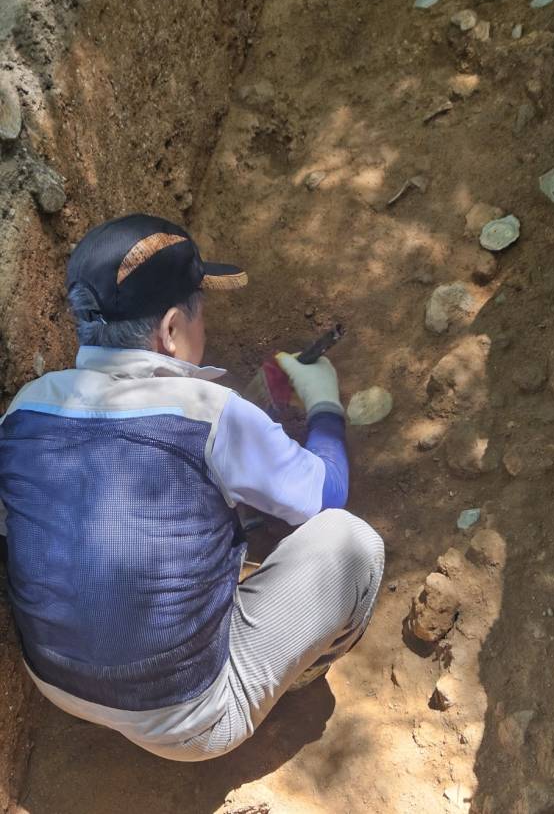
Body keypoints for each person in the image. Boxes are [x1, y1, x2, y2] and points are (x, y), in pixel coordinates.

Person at [0, 214, 384, 762]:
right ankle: (301, 664)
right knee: (353, 541)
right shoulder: (209, 412)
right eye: (202, 314)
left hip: (57, 685)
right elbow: (326, 495)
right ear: (174, 330)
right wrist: (324, 404)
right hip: (187, 723)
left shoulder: (26, 406)